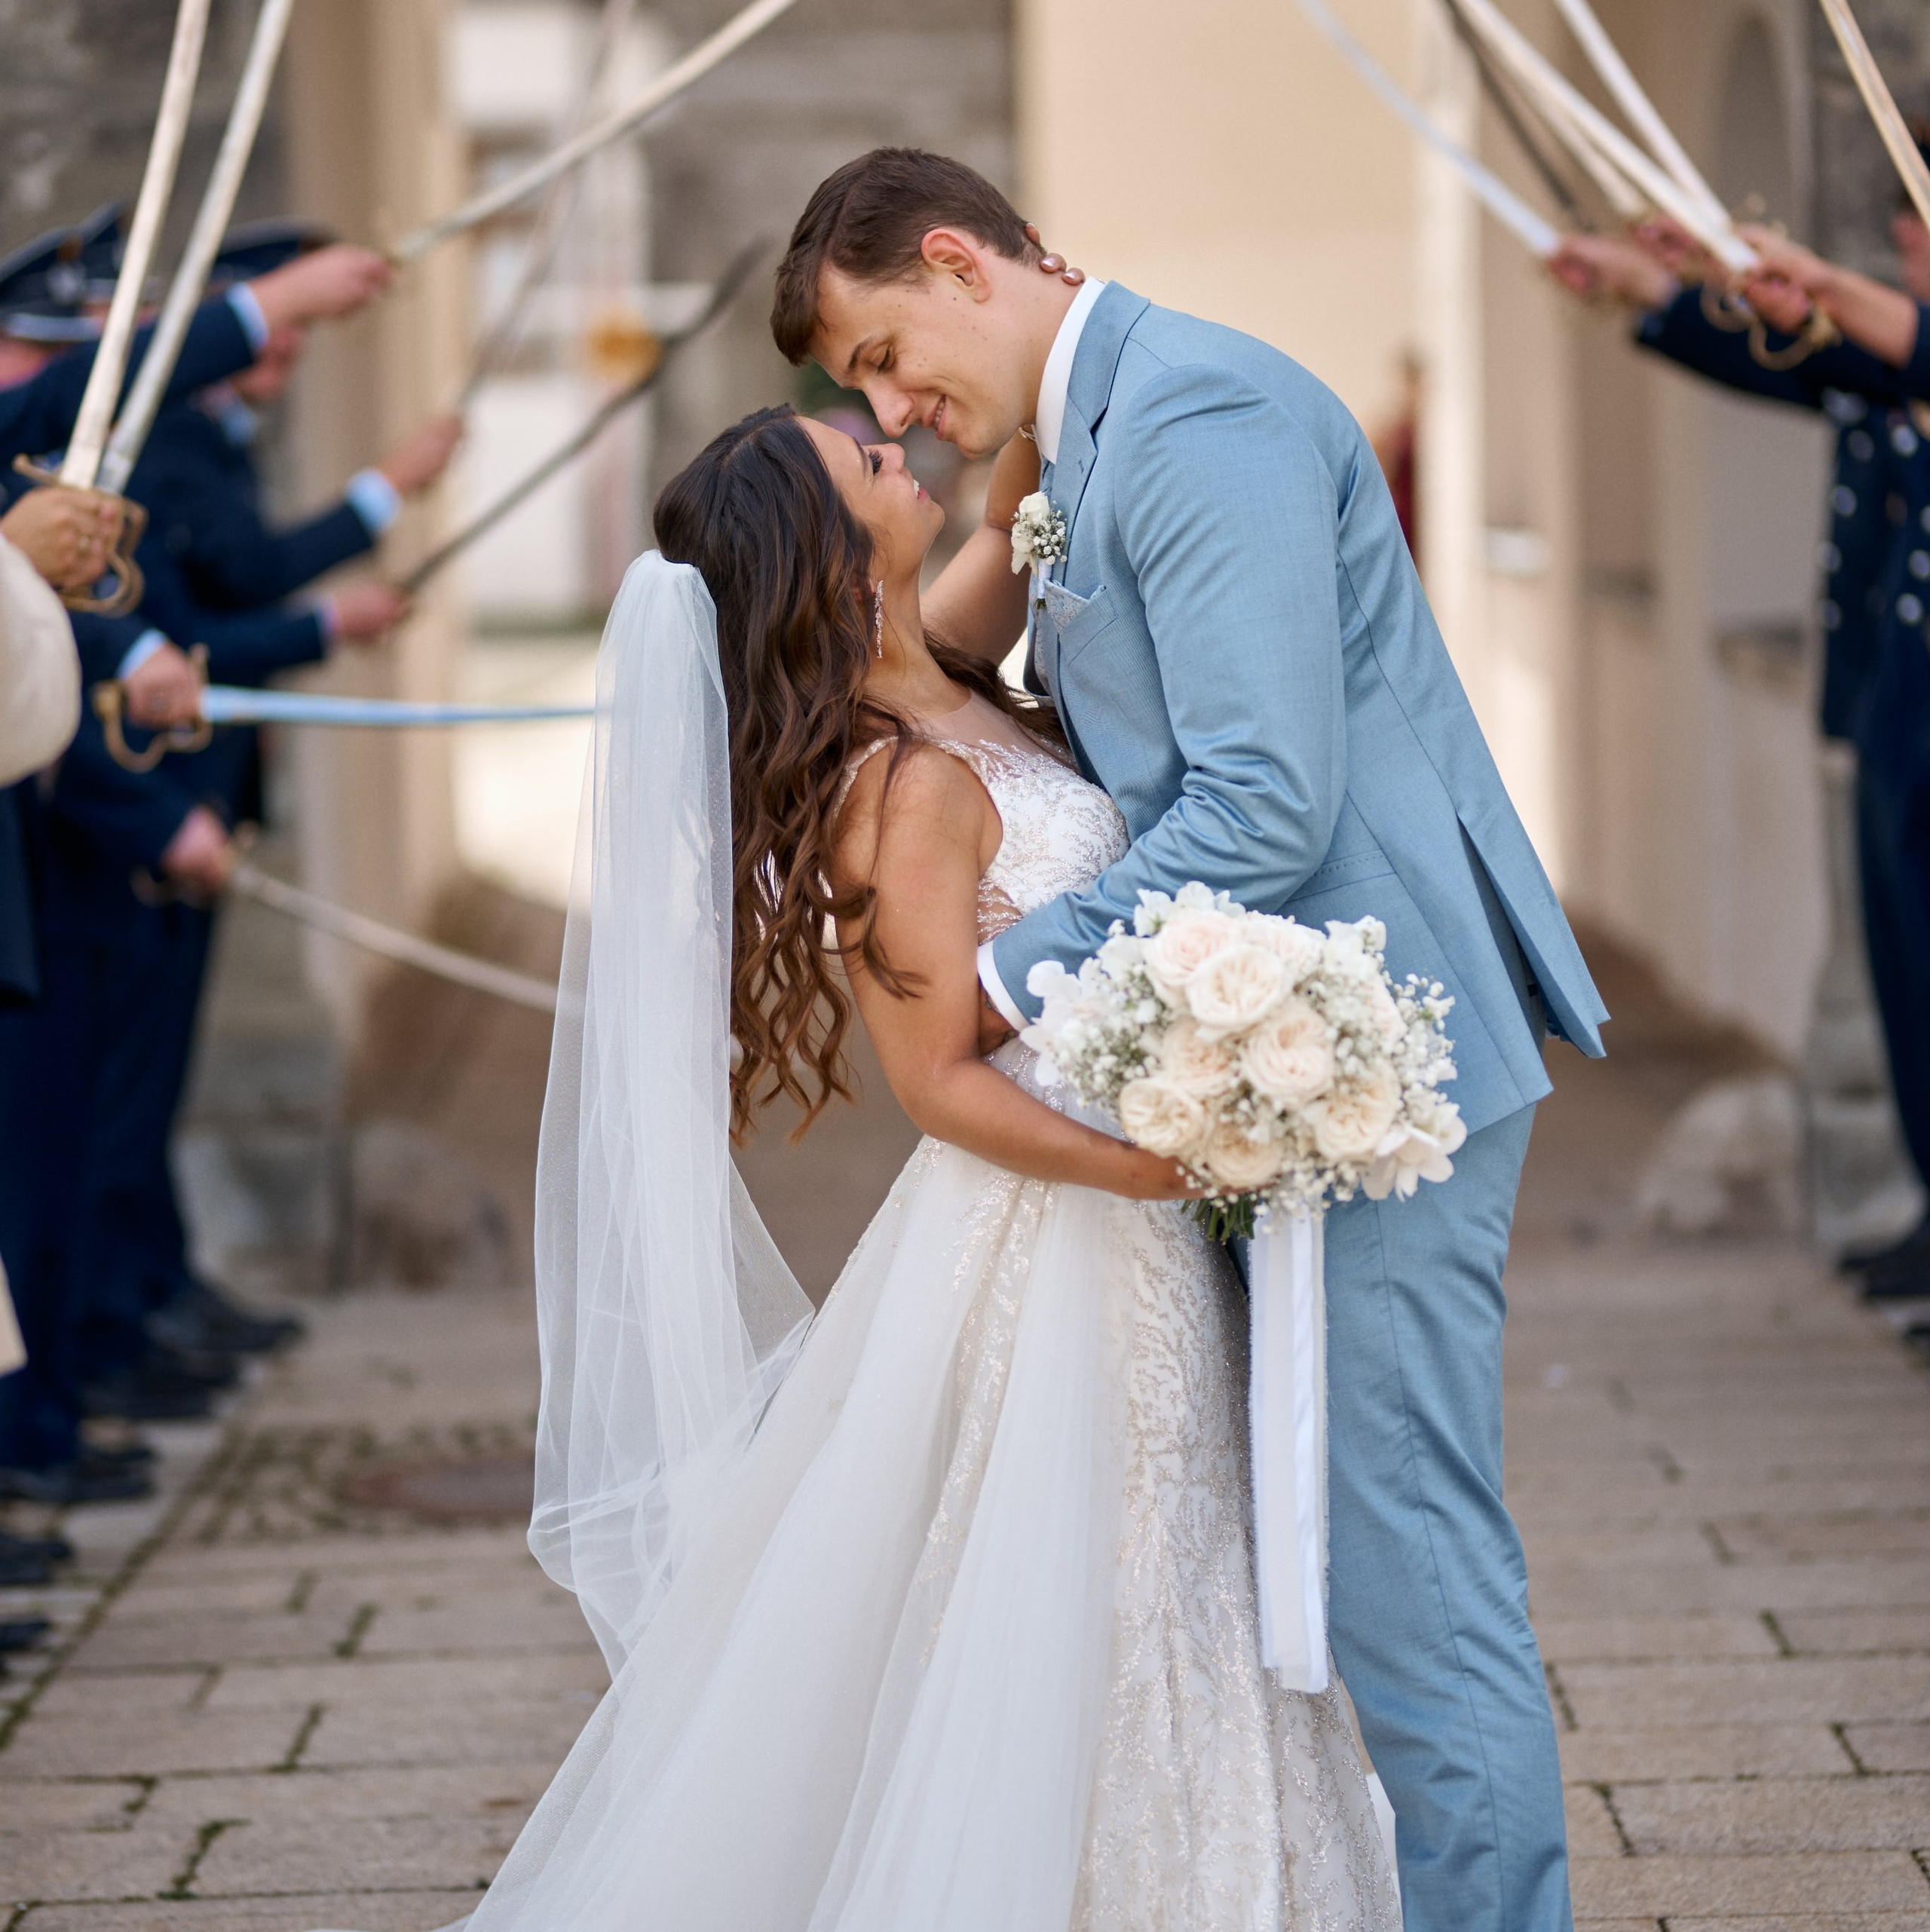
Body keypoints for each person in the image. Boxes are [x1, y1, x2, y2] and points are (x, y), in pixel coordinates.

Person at [768, 147, 1602, 1932]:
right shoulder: (1080, 437)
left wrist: (993, 985)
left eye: (884, 356)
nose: (891, 409)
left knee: (1402, 1554)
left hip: (1375, 1055)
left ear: (954, 261)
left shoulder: (1194, 416)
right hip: (1268, 1060)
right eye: (862, 393)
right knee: (1323, 1543)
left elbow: (1260, 802)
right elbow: (952, 667)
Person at [1548, 207, 1930, 1303]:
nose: (1902, 240)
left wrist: (1812, 287)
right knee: (1901, 979)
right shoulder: (1883, 353)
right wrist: (1668, 291)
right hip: (1887, 707)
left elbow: (1879, 345)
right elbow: (1803, 358)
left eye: (1917, 224)